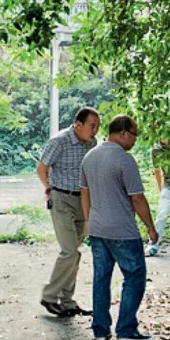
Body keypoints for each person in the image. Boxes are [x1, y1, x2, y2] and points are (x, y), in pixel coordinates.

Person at [80, 114, 158, 340]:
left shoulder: (89, 157)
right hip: (122, 230)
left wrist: (88, 221)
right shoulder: (124, 160)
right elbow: (137, 199)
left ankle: (100, 329)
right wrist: (151, 229)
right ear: (123, 133)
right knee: (135, 276)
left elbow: (84, 192)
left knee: (101, 279)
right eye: (134, 135)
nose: (135, 141)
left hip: (97, 228)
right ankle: (126, 327)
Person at [36, 107, 101, 317]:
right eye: (92, 126)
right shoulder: (59, 141)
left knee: (75, 253)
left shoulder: (92, 143)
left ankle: (67, 301)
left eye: (98, 127)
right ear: (78, 124)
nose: (95, 131)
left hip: (82, 199)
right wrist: (48, 187)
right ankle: (48, 296)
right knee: (70, 251)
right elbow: (41, 167)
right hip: (61, 198)